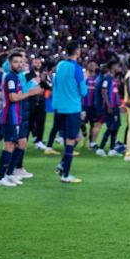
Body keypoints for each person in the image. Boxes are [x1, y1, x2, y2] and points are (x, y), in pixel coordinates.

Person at [0, 52, 41, 186]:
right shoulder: (10, 77)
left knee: (20, 143)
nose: (19, 64)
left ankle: (9, 174)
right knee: (9, 145)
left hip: (17, 116)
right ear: (9, 64)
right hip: (10, 116)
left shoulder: (16, 77)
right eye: (16, 62)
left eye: (21, 62)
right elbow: (13, 97)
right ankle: (0, 178)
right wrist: (30, 93)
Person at [51, 43, 89, 184]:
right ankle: (65, 175)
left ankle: (62, 165)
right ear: (77, 51)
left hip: (60, 108)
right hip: (72, 108)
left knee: (74, 138)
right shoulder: (77, 69)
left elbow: (55, 83)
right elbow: (83, 91)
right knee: (72, 140)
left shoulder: (60, 65)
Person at [97, 57, 123, 156]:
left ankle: (112, 149)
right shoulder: (107, 78)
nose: (118, 67)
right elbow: (104, 92)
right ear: (112, 67)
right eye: (116, 65)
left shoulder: (113, 78)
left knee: (117, 125)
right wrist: (108, 106)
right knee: (111, 126)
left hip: (115, 106)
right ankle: (100, 148)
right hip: (110, 106)